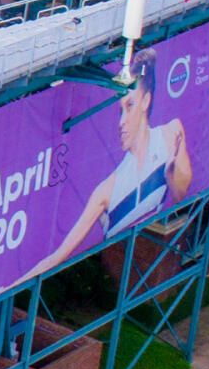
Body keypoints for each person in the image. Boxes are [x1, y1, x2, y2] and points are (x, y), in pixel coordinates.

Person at [23, 72, 197, 283]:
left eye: (129, 105)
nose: (121, 122)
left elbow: (181, 197)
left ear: (146, 101)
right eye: (119, 111)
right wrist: (8, 287)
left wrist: (170, 175)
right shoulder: (106, 190)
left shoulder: (171, 134)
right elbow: (58, 255)